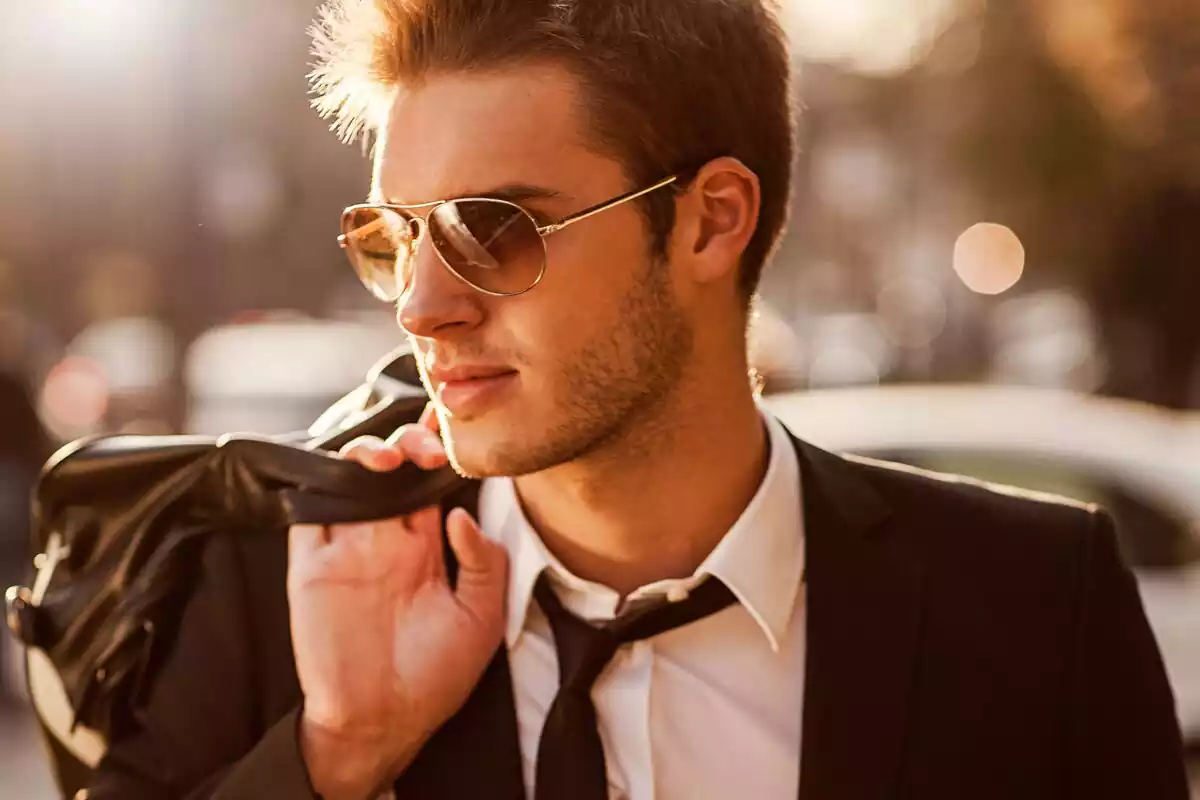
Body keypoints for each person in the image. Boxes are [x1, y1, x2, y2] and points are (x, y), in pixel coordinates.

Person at [85, 1, 1188, 798]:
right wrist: (338, 750)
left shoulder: (1041, 609)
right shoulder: (267, 593)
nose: (421, 305)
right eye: (398, 236)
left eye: (491, 228)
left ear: (711, 219)